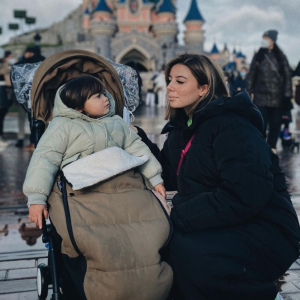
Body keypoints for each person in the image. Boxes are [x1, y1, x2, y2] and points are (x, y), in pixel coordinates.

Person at [135, 54, 300, 300]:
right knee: (158, 245)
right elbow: (170, 176)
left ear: (204, 88)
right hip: (222, 218)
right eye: (170, 80)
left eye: (180, 81)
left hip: (266, 227)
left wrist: (177, 212)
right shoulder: (183, 128)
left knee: (191, 254)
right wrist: (138, 140)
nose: (169, 87)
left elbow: (245, 194)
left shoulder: (232, 126)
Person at [23, 75, 165, 229]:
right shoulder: (62, 126)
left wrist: (154, 177)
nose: (105, 99)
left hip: (121, 187)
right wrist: (37, 198)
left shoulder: (116, 123)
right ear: (79, 106)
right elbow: (45, 159)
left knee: (147, 218)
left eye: (104, 94)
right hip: (82, 192)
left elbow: (137, 148)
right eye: (98, 96)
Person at [247, 30, 293, 153]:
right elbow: (251, 75)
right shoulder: (258, 56)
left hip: (277, 97)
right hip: (260, 96)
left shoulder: (280, 57)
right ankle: (261, 147)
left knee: (275, 124)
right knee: (260, 123)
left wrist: (287, 96)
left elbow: (287, 77)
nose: (264, 41)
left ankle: (272, 147)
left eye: (266, 38)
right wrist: (247, 92)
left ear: (272, 40)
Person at [0, 51, 13, 146]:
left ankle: (1, 134)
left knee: (2, 114)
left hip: (4, 91)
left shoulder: (5, 65)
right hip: (2, 91)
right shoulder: (4, 65)